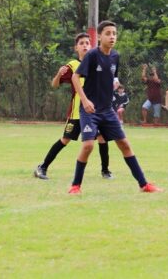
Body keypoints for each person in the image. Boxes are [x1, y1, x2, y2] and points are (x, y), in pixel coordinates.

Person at [68, 20, 162, 194]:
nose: (112, 37)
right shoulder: (92, 56)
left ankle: (144, 185)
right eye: (108, 33)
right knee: (88, 146)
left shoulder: (115, 56)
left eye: (114, 33)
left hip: (107, 110)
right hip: (90, 111)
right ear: (100, 37)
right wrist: (85, 100)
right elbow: (75, 78)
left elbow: (112, 78)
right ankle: (75, 186)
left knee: (124, 144)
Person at [34, 33, 112, 180]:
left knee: (102, 138)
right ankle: (42, 167)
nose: (85, 45)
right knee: (65, 140)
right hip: (77, 112)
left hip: (95, 112)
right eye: (81, 43)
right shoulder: (72, 66)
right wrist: (58, 75)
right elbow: (54, 85)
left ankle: (105, 171)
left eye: (87, 43)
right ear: (76, 47)